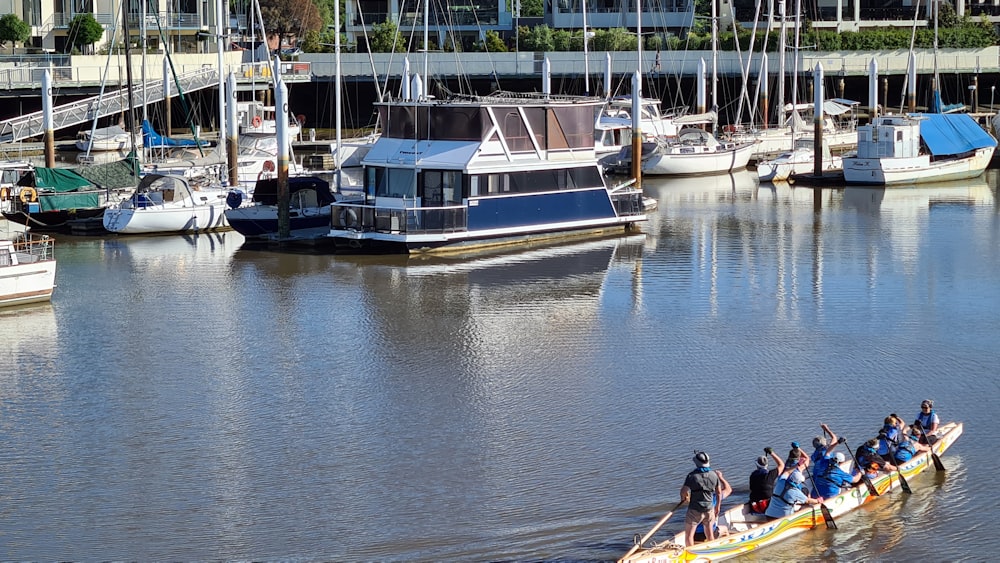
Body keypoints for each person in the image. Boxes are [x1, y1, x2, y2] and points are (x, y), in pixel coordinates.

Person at [680, 451, 728, 546]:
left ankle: (691, 555)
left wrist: (685, 498)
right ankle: (711, 551)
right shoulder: (714, 475)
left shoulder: (691, 476)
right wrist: (717, 506)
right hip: (709, 509)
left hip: (695, 510)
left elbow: (683, 491)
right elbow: (718, 492)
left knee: (689, 536)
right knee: (710, 534)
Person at [749, 447, 785, 513]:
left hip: (755, 505)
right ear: (767, 465)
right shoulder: (770, 475)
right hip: (768, 504)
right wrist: (771, 453)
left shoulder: (752, 475)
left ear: (757, 465)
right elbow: (781, 465)